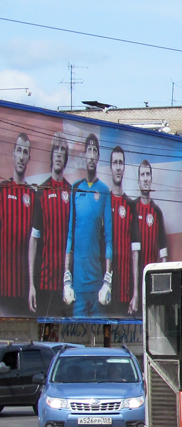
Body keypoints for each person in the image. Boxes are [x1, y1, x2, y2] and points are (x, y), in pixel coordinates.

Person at [64, 133, 114, 317]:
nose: (92, 155)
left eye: (95, 151)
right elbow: (70, 236)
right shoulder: (76, 188)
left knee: (101, 336)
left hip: (97, 286)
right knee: (77, 338)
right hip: (77, 287)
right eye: (89, 150)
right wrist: (66, 280)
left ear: (98, 157)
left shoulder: (104, 191)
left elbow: (109, 238)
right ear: (84, 155)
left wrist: (107, 281)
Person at [28, 132, 72, 316]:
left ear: (66, 158)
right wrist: (32, 285)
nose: (59, 153)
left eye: (63, 150)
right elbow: (34, 240)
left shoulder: (71, 191)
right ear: (51, 155)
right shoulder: (41, 191)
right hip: (45, 283)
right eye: (56, 149)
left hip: (67, 285)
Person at [0, 133, 34, 310]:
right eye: (19, 150)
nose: (21, 156)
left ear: (29, 158)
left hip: (24, 291)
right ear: (13, 152)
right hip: (2, 289)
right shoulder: (2, 190)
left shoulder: (33, 195)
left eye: (25, 152)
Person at [105, 145, 140, 315]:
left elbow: (135, 252)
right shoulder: (104, 201)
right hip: (105, 288)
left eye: (121, 163)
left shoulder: (131, 205)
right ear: (110, 167)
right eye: (115, 163)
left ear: (124, 168)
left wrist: (135, 293)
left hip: (124, 291)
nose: (118, 167)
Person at [133, 160, 168, 308]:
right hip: (134, 284)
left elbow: (163, 254)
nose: (146, 178)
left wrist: (164, 290)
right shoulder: (132, 207)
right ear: (138, 180)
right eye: (142, 174)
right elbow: (133, 250)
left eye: (148, 174)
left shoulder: (157, 211)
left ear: (151, 179)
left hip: (152, 286)